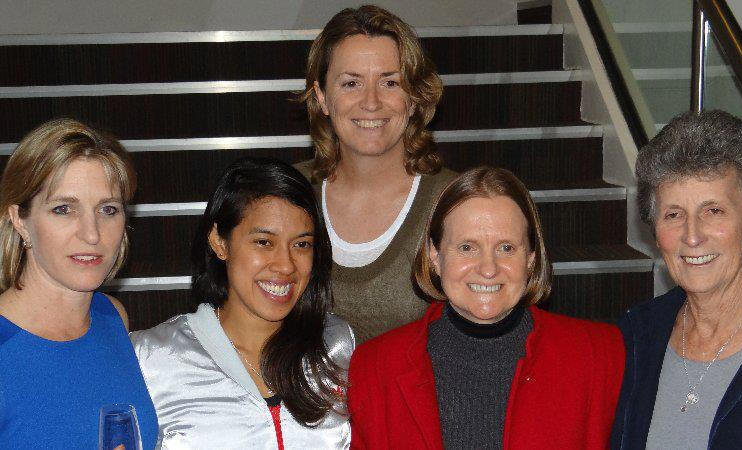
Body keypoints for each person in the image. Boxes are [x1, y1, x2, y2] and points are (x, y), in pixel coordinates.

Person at [347, 167, 625, 449]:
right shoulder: (374, 369)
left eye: (506, 248)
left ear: (530, 258)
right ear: (435, 255)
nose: (488, 269)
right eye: (467, 248)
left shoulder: (600, 357)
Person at [131, 158, 354, 448]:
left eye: (301, 244)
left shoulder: (337, 345)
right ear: (219, 242)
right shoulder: (152, 357)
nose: (286, 265)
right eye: (264, 242)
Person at [610, 110, 742, 448]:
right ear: (656, 234)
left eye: (713, 211)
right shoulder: (634, 338)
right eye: (673, 214)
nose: (692, 236)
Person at [298, 5, 457, 342]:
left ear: (413, 98)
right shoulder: (287, 193)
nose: (371, 102)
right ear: (322, 97)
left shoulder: (456, 202)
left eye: (390, 82)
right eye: (351, 83)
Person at [0, 118, 158, 448]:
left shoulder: (111, 316)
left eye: (108, 209)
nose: (92, 233)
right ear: (20, 220)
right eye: (63, 209)